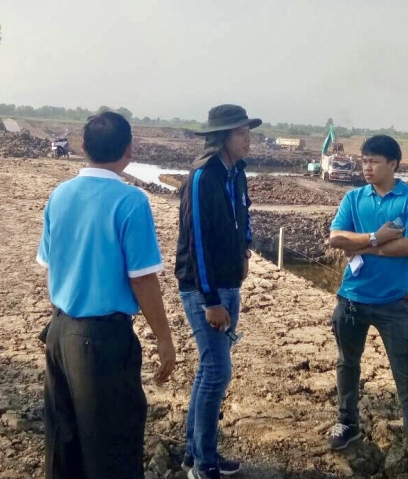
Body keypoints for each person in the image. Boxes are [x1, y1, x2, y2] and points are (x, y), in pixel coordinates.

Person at [37, 111, 176, 479]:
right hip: (102, 340)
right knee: (112, 448)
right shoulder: (130, 201)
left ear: (83, 147)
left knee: (64, 444)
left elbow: (51, 264)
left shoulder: (60, 195)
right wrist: (164, 339)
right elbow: (143, 281)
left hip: (60, 331)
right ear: (129, 150)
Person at [325, 135, 408, 479]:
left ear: (393, 164)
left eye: (374, 161)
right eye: (364, 161)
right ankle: (347, 423)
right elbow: (336, 238)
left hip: (393, 304)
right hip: (352, 299)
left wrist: (362, 247)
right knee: (347, 363)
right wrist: (377, 237)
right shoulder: (354, 197)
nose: (367, 167)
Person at [175, 104, 260, 479]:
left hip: (229, 283)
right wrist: (210, 300)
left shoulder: (236, 172)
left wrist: (245, 249)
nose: (248, 139)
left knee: (209, 369)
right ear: (223, 137)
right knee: (217, 371)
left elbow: (244, 214)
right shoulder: (202, 176)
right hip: (203, 290)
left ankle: (194, 452)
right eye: (242, 133)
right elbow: (197, 242)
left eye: (248, 132)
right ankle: (203, 463)